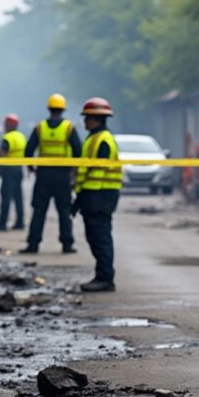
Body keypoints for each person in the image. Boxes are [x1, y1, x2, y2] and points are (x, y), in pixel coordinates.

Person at [21, 93, 82, 254]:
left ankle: (33, 244)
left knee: (39, 211)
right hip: (63, 176)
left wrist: (31, 167)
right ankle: (67, 244)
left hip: (43, 176)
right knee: (64, 211)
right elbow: (78, 150)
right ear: (63, 109)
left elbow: (28, 150)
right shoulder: (69, 128)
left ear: (49, 109)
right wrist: (74, 170)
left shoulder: (40, 127)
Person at [73, 98, 121, 292]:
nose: (84, 121)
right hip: (93, 194)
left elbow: (96, 171)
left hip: (100, 195)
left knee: (100, 237)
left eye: (87, 118)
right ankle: (102, 275)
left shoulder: (103, 141)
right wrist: (79, 197)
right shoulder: (93, 139)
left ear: (95, 119)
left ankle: (105, 278)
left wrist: (83, 195)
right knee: (94, 236)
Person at [0, 114, 27, 231]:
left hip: (8, 171)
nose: (4, 125)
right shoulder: (22, 136)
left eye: (6, 123)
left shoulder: (7, 137)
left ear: (11, 124)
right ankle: (20, 222)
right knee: (18, 197)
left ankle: (2, 223)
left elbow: (2, 154)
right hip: (19, 169)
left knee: (6, 197)